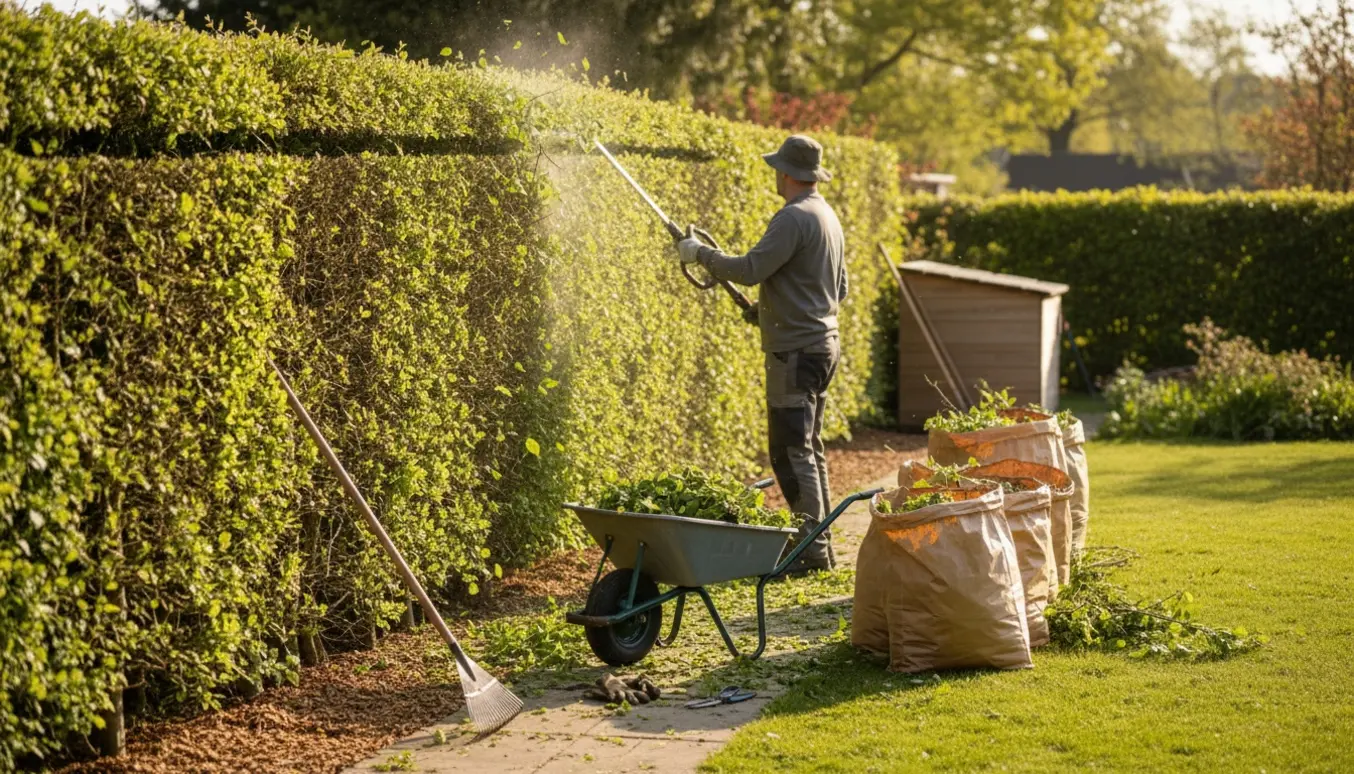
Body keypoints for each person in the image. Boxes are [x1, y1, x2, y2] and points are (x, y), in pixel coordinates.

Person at [675, 134, 847, 574]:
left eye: (776, 168)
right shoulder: (827, 215)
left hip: (794, 352)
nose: (775, 174)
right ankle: (817, 542)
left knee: (791, 450)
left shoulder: (791, 218)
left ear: (787, 173)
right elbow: (836, 288)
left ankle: (810, 549)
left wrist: (701, 254)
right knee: (810, 446)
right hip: (823, 346)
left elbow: (750, 270)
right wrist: (766, 311)